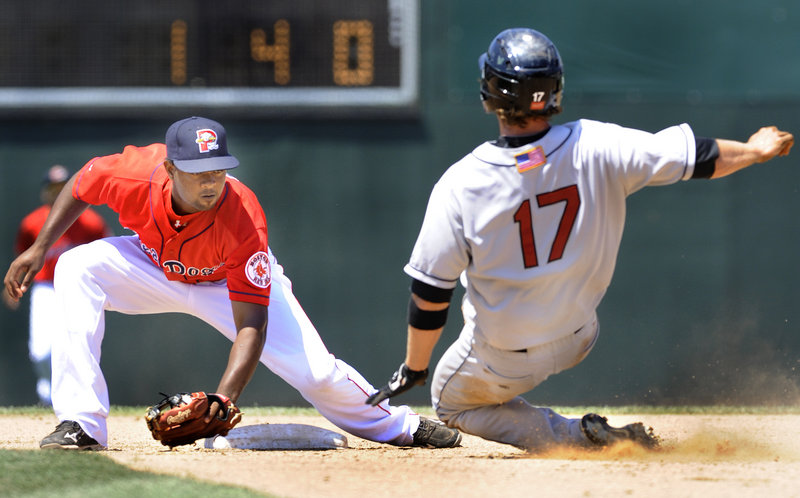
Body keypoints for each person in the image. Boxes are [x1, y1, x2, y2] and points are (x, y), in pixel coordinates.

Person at [366, 28, 794, 451]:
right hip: (578, 335)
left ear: (492, 93)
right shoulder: (598, 143)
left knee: (449, 400)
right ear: (553, 90)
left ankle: (575, 435)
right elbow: (698, 156)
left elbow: (429, 294)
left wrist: (414, 368)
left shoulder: (462, 183)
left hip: (503, 355)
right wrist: (755, 150)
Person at [4, 116, 461, 450]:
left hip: (225, 285)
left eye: (219, 169)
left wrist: (225, 398)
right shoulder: (132, 173)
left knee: (317, 373)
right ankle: (82, 425)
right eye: (200, 171)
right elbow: (81, 185)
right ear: (170, 169)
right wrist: (41, 247)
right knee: (75, 267)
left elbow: (251, 325)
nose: (212, 181)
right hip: (151, 266)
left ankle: (401, 426)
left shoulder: (243, 215)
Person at [2, 165, 110, 406]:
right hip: (45, 288)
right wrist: (15, 286)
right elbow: (22, 257)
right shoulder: (32, 222)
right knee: (41, 351)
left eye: (62, 187)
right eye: (53, 188)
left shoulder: (91, 222)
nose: (57, 192)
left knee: (81, 346)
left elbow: (108, 255)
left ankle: (76, 401)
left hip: (80, 290)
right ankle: (47, 394)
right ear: (45, 192)